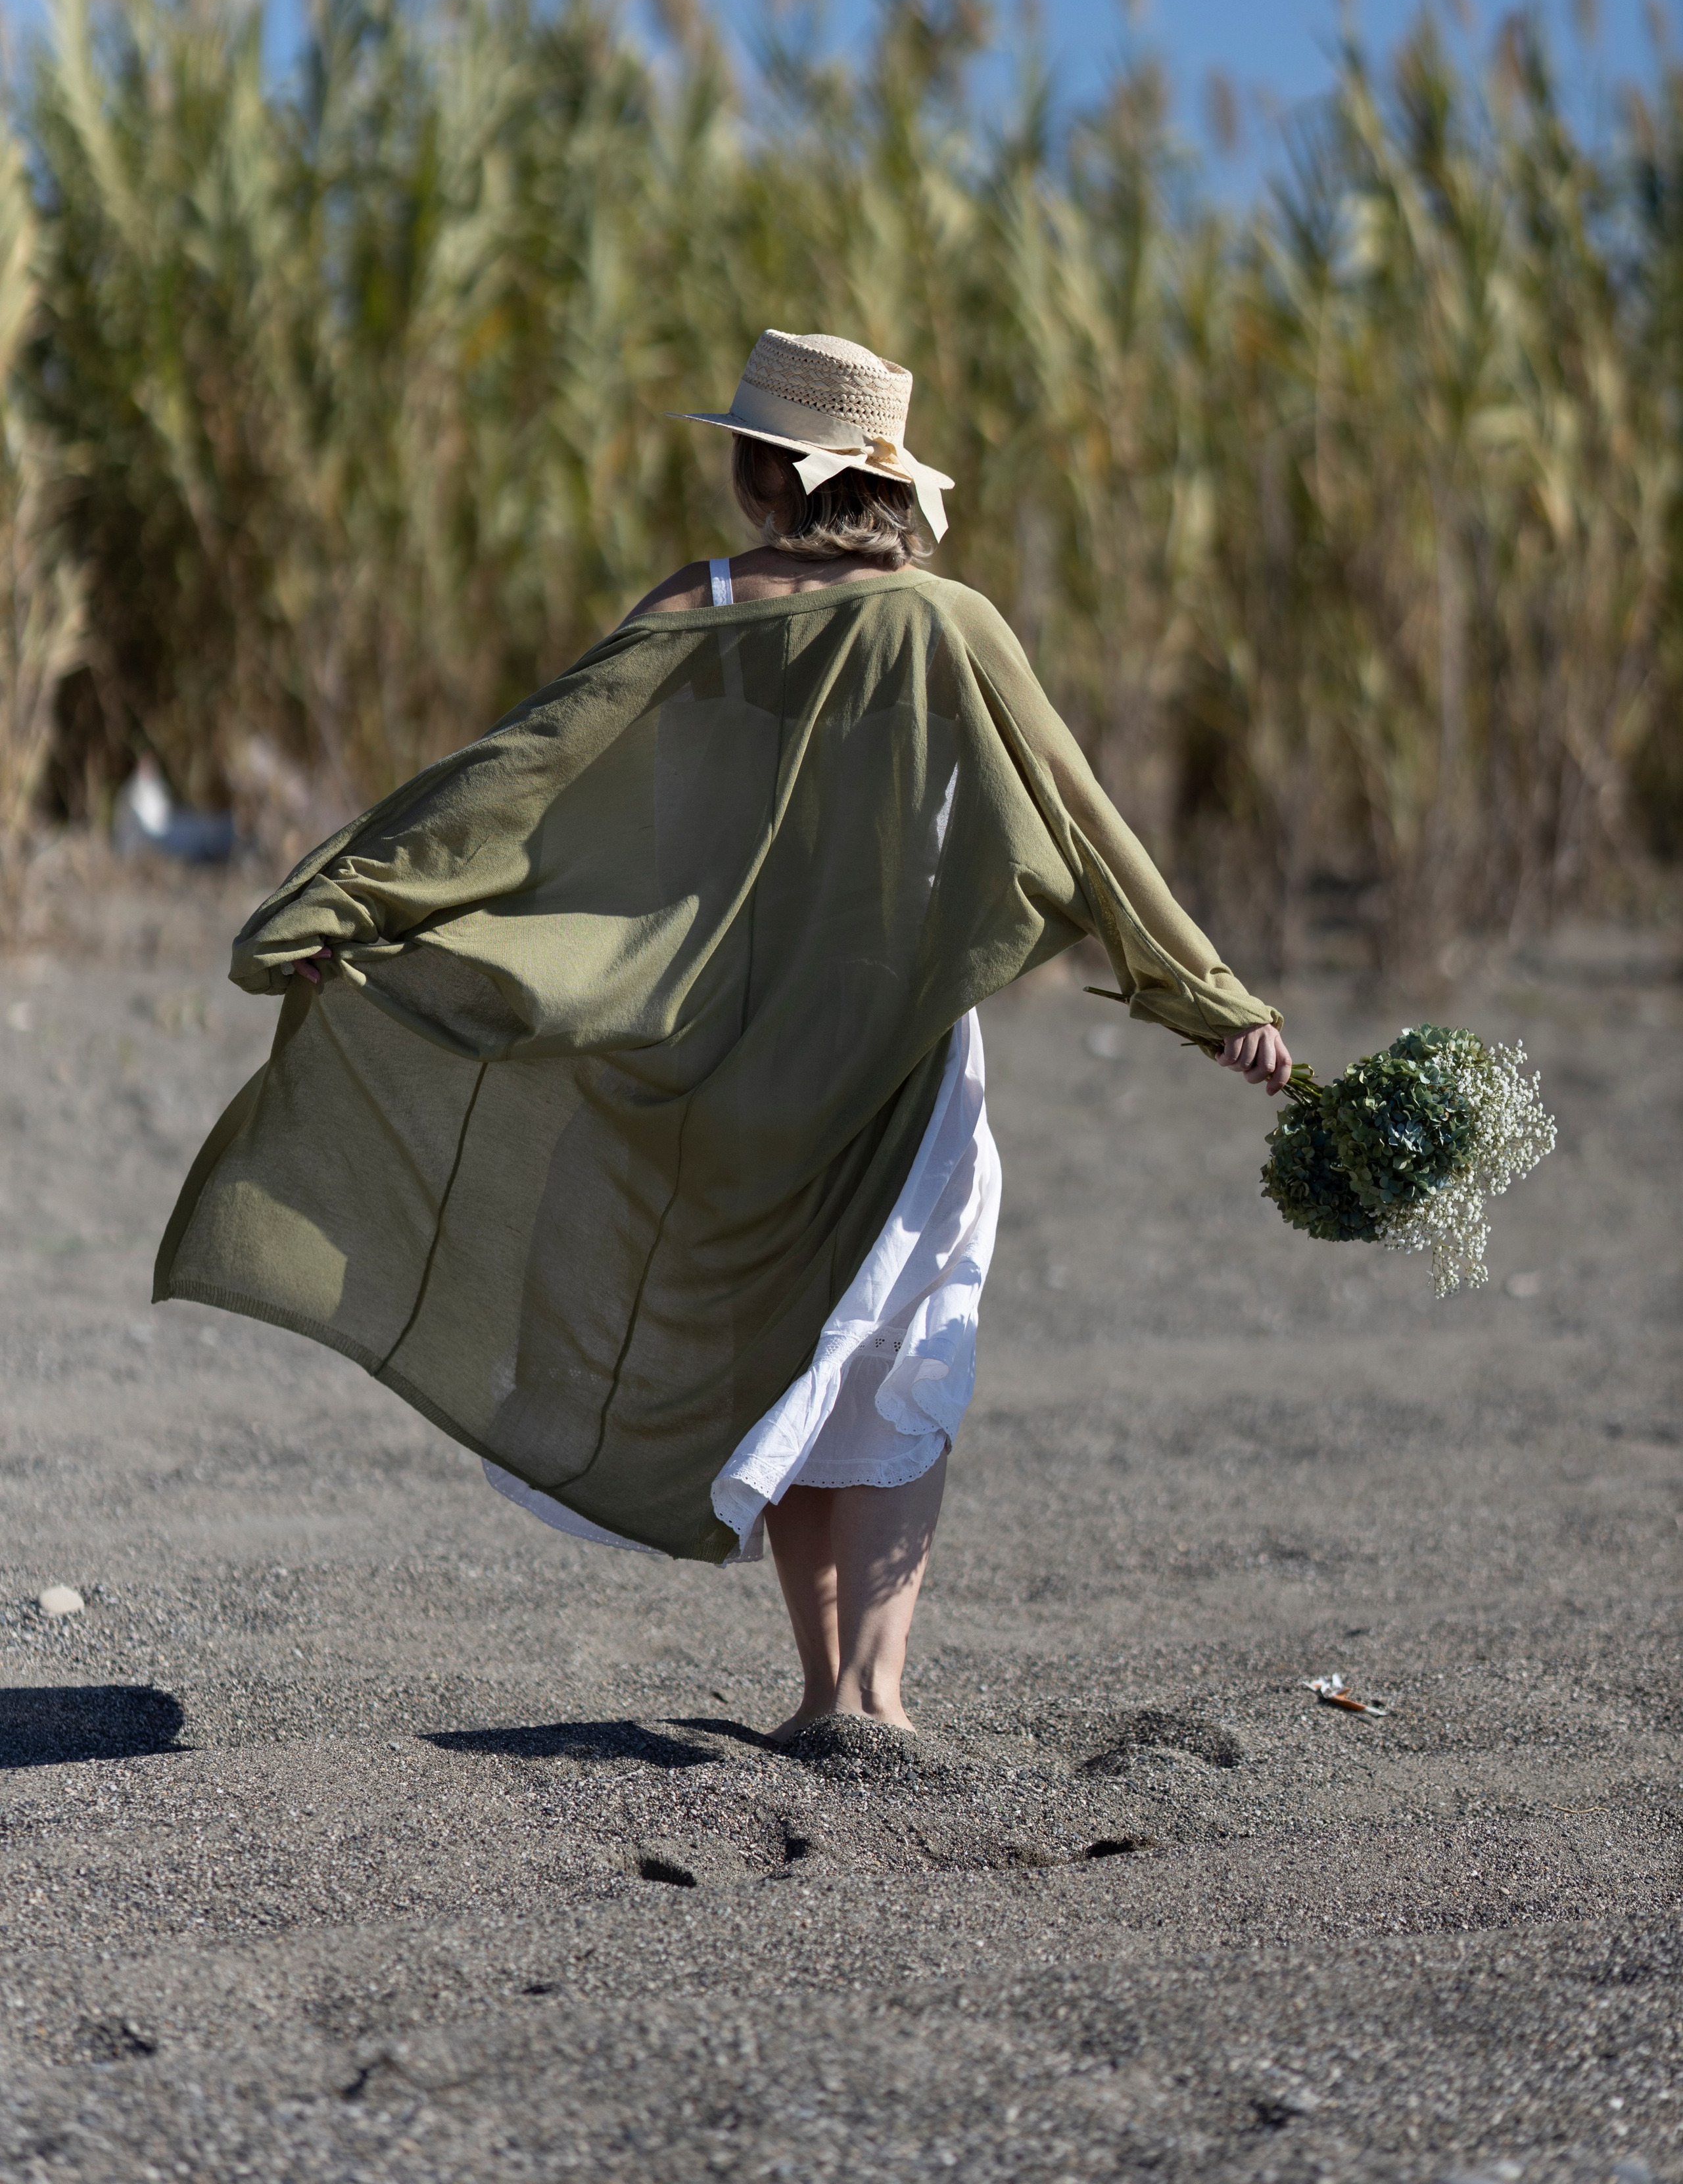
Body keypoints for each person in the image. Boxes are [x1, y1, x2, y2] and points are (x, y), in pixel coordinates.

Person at [155, 330, 1291, 1744]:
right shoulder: (946, 629)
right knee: (899, 1340)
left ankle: (820, 1693)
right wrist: (1215, 1005)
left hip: (700, 1054)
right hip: (885, 1055)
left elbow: (511, 780)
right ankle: (871, 1699)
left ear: (765, 473)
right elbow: (1086, 835)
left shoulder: (687, 609)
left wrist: (330, 905)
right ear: (886, 484)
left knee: (795, 1339)